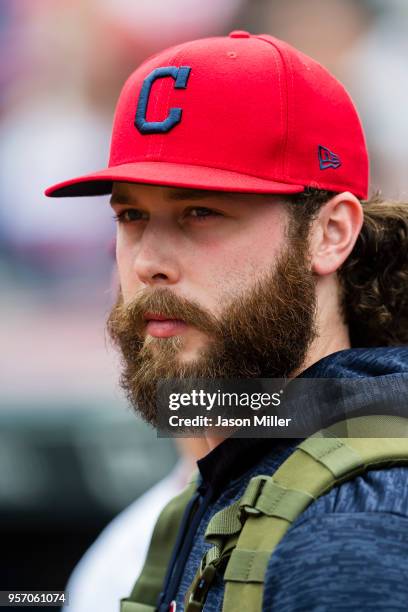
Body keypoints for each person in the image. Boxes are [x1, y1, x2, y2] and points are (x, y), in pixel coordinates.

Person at [46, 32, 408, 611]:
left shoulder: (355, 531)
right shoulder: (241, 451)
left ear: (330, 232)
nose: (147, 264)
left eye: (200, 212)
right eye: (131, 215)